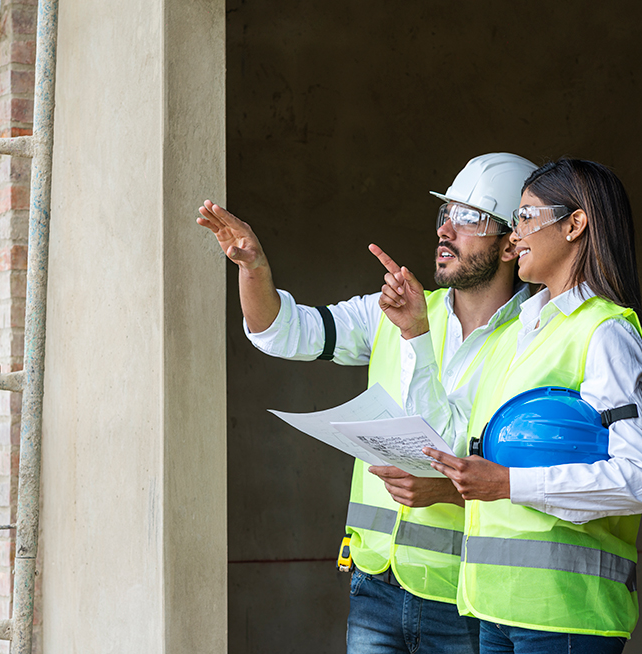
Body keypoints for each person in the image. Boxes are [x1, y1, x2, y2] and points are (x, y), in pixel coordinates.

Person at [197, 153, 537, 654]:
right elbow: (283, 332)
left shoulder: (535, 337)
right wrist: (254, 268)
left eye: (469, 218)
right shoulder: (392, 311)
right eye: (446, 214)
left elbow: (508, 471)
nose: (446, 229)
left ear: (512, 242)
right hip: (374, 582)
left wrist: (415, 334)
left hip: (466, 594)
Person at [406, 159, 642, 654]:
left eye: (526, 216)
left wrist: (508, 484)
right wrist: (416, 335)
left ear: (574, 225)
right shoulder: (520, 332)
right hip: (492, 609)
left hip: (567, 617)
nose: (515, 231)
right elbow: (451, 433)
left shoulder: (604, 332)